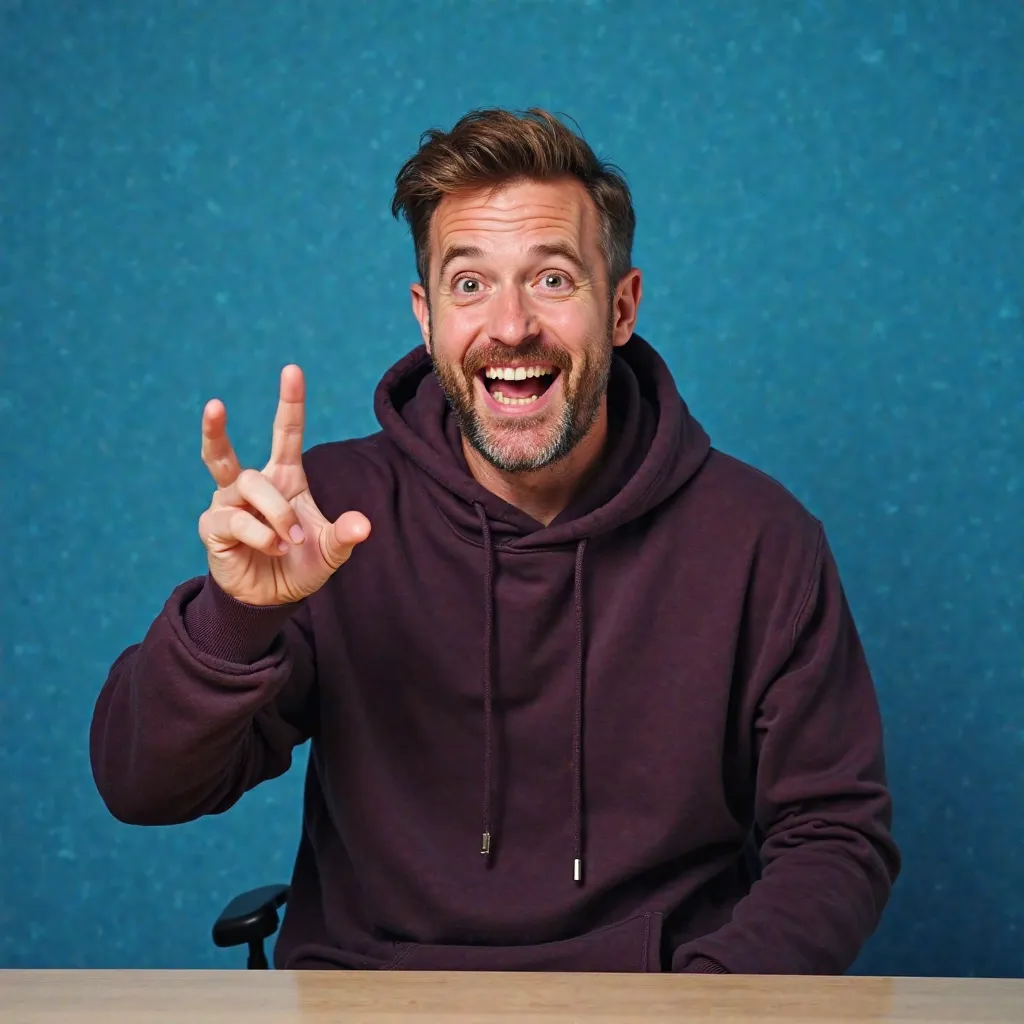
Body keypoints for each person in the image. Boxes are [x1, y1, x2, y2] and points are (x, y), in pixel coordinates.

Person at [90, 107, 901, 974]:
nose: (510, 327)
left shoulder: (760, 539)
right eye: (469, 285)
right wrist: (233, 620)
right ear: (426, 316)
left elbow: (835, 837)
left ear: (621, 307)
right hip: (374, 1003)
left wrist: (705, 1003)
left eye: (553, 280)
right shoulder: (326, 517)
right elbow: (142, 788)